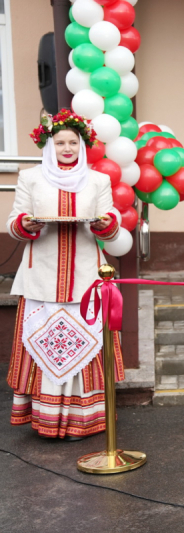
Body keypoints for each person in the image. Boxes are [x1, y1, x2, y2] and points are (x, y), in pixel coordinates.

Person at [5, 110, 124, 440]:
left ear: (83, 145)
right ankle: (46, 420)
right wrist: (25, 225)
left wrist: (106, 224)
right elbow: (14, 223)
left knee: (83, 348)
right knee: (44, 346)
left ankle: (84, 421)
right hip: (40, 281)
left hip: (86, 282)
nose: (67, 148)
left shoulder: (99, 180)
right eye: (60, 143)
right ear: (49, 145)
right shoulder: (30, 178)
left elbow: (111, 223)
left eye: (73, 142)